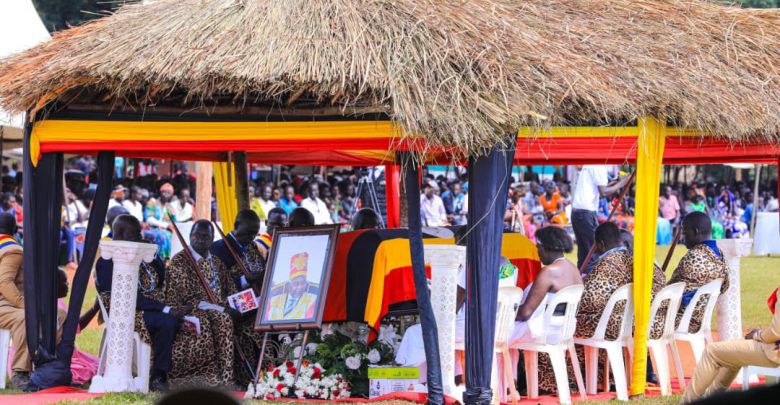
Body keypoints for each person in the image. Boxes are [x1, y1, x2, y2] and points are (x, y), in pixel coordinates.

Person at [95, 215, 189, 391]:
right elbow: (123, 296)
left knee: (182, 320)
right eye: (134, 234)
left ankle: (180, 374)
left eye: (139, 232)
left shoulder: (140, 253)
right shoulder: (108, 260)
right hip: (125, 312)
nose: (139, 236)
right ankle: (158, 375)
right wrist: (166, 309)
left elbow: (160, 279)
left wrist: (153, 255)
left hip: (150, 306)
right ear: (120, 234)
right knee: (166, 322)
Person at [509, 226, 582, 393]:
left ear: (545, 246)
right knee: (506, 337)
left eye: (537, 248)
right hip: (563, 330)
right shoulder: (573, 268)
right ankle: (510, 386)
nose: (537, 252)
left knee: (493, 337)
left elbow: (525, 313)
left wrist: (502, 312)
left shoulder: (548, 272)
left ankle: (500, 388)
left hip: (544, 331)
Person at [163, 220, 236, 386]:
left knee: (241, 319)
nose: (201, 240)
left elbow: (230, 288)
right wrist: (221, 309)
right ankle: (208, 378)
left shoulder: (216, 262)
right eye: (197, 235)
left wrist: (236, 305)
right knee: (222, 319)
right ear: (190, 236)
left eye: (206, 236)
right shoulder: (179, 261)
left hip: (218, 308)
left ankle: (229, 378)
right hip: (190, 309)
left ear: (212, 239)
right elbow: (185, 298)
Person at [679, 287, 780, 404]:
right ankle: (711, 400)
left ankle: (686, 402)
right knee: (732, 351)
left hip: (775, 352)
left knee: (711, 352)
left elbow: (776, 332)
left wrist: (758, 335)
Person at [668, 212, 729, 333]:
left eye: (685, 233)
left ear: (695, 232)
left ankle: (642, 352)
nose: (682, 237)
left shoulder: (694, 257)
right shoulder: (719, 255)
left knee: (639, 314)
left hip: (681, 320)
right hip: (701, 318)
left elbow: (670, 290)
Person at [571, 165, 630, 273]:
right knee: (593, 253)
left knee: (585, 254)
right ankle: (591, 281)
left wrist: (616, 182)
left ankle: (581, 280)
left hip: (579, 213)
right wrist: (622, 182)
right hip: (585, 213)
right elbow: (604, 192)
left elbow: (601, 187)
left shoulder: (592, 165)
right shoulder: (599, 166)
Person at [0, 213, 29, 389]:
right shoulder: (12, 249)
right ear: (15, 230)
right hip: (4, 305)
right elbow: (4, 282)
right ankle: (20, 372)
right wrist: (24, 304)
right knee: (26, 317)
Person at [210, 209, 264, 292]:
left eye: (255, 234)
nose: (252, 237)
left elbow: (261, 267)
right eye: (248, 233)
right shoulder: (218, 248)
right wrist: (245, 280)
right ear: (236, 226)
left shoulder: (252, 245)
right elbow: (217, 285)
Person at [265, 252, 319, 321]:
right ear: (289, 284)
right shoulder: (274, 297)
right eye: (296, 284)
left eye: (303, 283)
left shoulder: (313, 300)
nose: (300, 287)